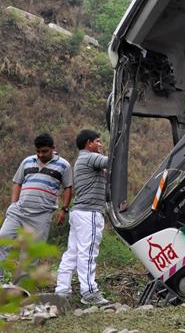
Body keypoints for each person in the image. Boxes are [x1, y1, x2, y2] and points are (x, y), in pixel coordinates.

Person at [0, 133, 72, 283]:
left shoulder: (63, 165)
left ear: (53, 148)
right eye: (38, 151)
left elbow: (68, 187)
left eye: (44, 151)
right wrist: (13, 204)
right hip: (18, 212)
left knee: (31, 253)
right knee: (2, 240)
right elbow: (17, 182)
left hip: (41, 216)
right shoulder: (27, 161)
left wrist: (64, 209)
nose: (40, 155)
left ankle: (20, 288)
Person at [55, 129, 110, 305]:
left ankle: (62, 291)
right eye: (98, 141)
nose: (101, 145)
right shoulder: (89, 157)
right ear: (89, 143)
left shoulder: (83, 159)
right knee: (88, 253)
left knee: (72, 253)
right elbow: (113, 162)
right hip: (89, 214)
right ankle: (89, 292)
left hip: (79, 213)